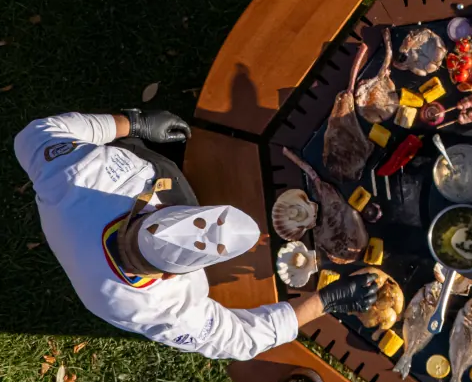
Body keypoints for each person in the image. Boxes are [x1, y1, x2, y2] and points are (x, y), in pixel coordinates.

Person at [14, 109, 377, 360]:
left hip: (82, 217)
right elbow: (243, 338)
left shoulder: (73, 173)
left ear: (146, 210)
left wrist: (133, 123)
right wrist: (327, 301)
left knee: (166, 165)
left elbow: (32, 136)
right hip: (91, 264)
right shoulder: (157, 309)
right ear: (175, 275)